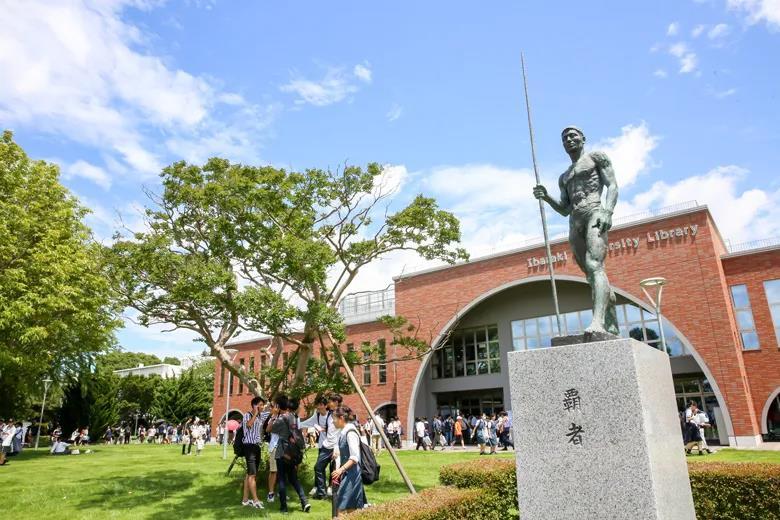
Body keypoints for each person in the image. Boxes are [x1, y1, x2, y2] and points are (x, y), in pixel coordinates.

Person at [533, 126, 619, 335]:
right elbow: (564, 209)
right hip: (575, 220)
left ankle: (597, 322)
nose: (569, 140)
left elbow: (613, 185)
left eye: (573, 136)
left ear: (583, 138)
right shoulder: (564, 177)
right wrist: (546, 197)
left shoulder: (596, 158)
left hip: (595, 211)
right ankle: (611, 318)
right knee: (591, 275)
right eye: (565, 138)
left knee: (594, 264)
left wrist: (608, 211)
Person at [270, 395, 310, 514]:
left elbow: (269, 429)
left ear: (278, 406)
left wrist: (273, 416)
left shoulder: (281, 419)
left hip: (282, 452)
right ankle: (304, 501)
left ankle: (284, 508)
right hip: (293, 453)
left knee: (281, 479)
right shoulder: (294, 417)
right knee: (294, 479)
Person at [298, 396, 336, 500]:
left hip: (332, 446)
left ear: (325, 406)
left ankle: (328, 490)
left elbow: (335, 433)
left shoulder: (331, 416)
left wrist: (335, 449)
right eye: (317, 405)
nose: (318, 407)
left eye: (320, 405)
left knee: (329, 468)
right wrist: (296, 424)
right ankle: (321, 491)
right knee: (320, 468)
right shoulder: (317, 415)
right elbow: (308, 422)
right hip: (323, 446)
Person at [331, 406, 365, 516]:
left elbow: (355, 457)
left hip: (352, 474)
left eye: (334, 419)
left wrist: (340, 470)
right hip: (348, 473)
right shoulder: (343, 432)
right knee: (351, 507)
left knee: (342, 505)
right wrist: (338, 453)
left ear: (341, 418)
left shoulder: (350, 432)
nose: (333, 421)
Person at [240, 396, 265, 509]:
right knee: (252, 474)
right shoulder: (247, 415)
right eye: (260, 404)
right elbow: (249, 425)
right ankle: (255, 500)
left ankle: (245, 499)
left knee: (249, 474)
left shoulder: (260, 417)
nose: (262, 407)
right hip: (249, 446)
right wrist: (255, 413)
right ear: (254, 405)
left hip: (256, 446)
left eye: (262, 405)